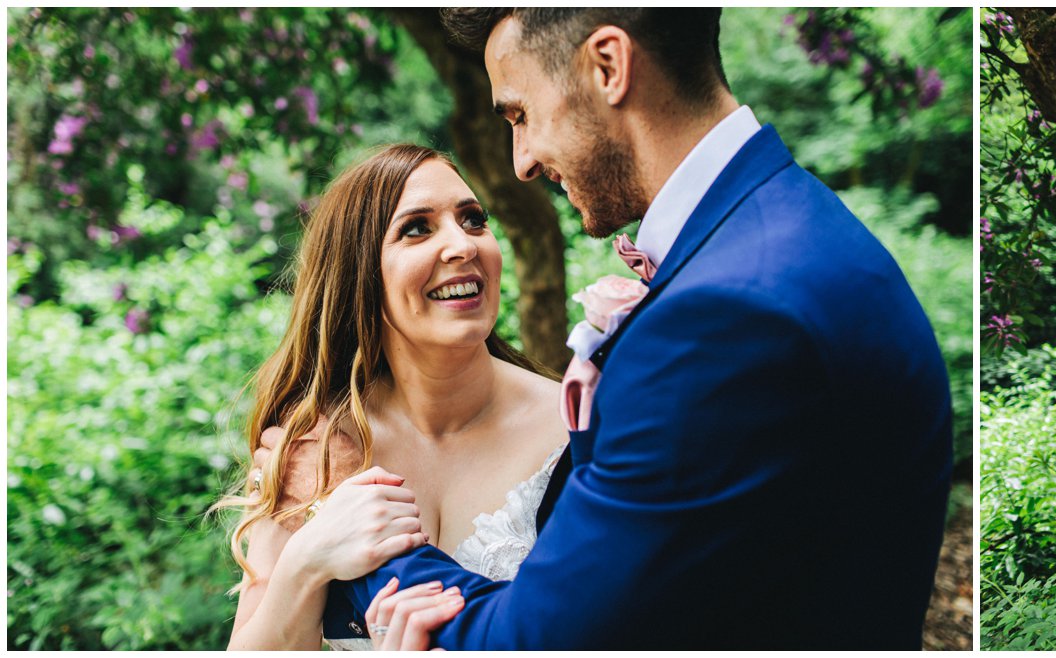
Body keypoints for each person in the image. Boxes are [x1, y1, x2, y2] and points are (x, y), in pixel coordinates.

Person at [325, 8, 954, 649]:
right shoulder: (788, 227)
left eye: (520, 115)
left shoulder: (729, 316)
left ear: (608, 66)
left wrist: (370, 542)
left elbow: (540, 643)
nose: (522, 161)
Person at [219, 144, 568, 650]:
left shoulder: (574, 428)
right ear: (359, 274)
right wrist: (305, 560)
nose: (463, 245)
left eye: (473, 220)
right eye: (417, 228)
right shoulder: (309, 451)